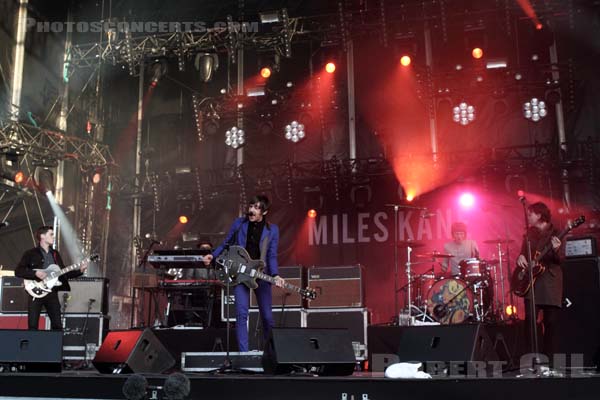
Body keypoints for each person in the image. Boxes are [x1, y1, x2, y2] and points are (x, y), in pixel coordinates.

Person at [204, 195, 285, 352]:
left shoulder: (272, 230)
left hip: (260, 274)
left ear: (265, 211)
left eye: (256, 207)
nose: (251, 210)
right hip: (240, 273)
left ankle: (271, 353)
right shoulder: (239, 224)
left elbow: (272, 255)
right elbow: (226, 242)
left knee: (267, 317)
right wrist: (213, 255)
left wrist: (275, 274)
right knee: (241, 314)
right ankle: (244, 353)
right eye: (250, 206)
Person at [15, 226, 87, 330]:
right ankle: (33, 346)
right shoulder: (30, 253)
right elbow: (18, 271)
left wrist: (80, 271)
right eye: (51, 234)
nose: (53, 237)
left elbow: (63, 274)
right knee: (33, 325)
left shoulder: (55, 254)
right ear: (42, 236)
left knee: (57, 325)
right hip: (36, 292)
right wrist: (35, 274)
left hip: (52, 292)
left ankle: (54, 345)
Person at [516, 202, 562, 361]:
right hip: (532, 282)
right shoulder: (530, 233)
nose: (528, 217)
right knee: (530, 321)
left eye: (530, 214)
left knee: (551, 322)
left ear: (540, 215)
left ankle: (550, 360)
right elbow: (524, 252)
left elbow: (562, 260)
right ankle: (531, 359)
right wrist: (520, 256)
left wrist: (556, 250)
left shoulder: (556, 232)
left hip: (549, 282)